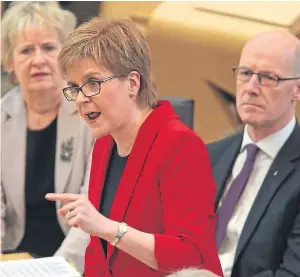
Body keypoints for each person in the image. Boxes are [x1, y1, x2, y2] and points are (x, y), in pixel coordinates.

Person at [45, 18, 223, 277]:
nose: (82, 98)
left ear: (132, 83)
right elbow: (99, 254)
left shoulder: (180, 145)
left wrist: (107, 228)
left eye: (92, 83)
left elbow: (190, 256)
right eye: (74, 88)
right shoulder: (104, 143)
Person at [1, 2, 94, 272]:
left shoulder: (90, 114)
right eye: (26, 50)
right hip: (14, 258)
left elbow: (95, 205)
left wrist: (57, 268)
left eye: (49, 48)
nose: (38, 60)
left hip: (74, 257)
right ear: (9, 62)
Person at [207, 30, 300, 277]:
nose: (251, 88)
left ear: (297, 90)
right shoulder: (210, 156)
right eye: (245, 73)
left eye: (269, 78)